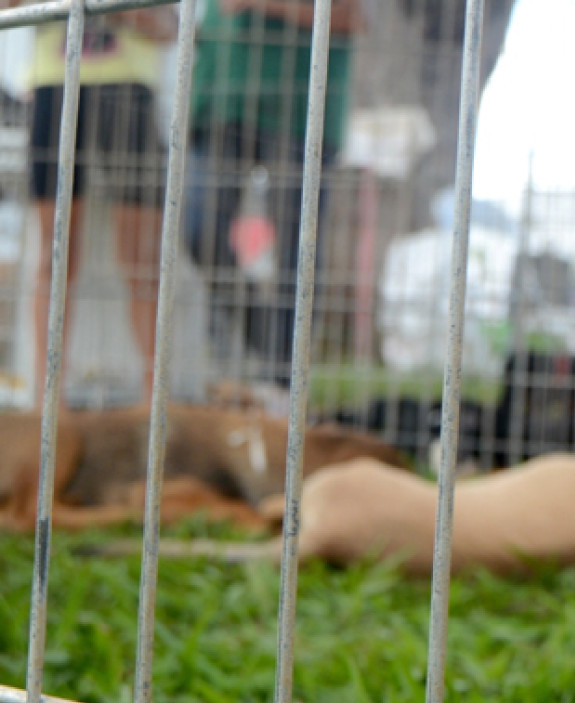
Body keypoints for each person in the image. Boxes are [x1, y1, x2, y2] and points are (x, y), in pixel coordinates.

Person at [184, 0, 359, 390]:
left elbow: (352, 17)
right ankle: (271, 349)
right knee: (198, 229)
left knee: (300, 253)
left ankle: (283, 385)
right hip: (220, 100)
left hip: (300, 108)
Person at [16, 3, 178, 409]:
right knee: (55, 257)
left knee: (141, 260)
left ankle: (153, 400)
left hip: (130, 92)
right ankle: (46, 397)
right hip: (55, 86)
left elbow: (170, 28)